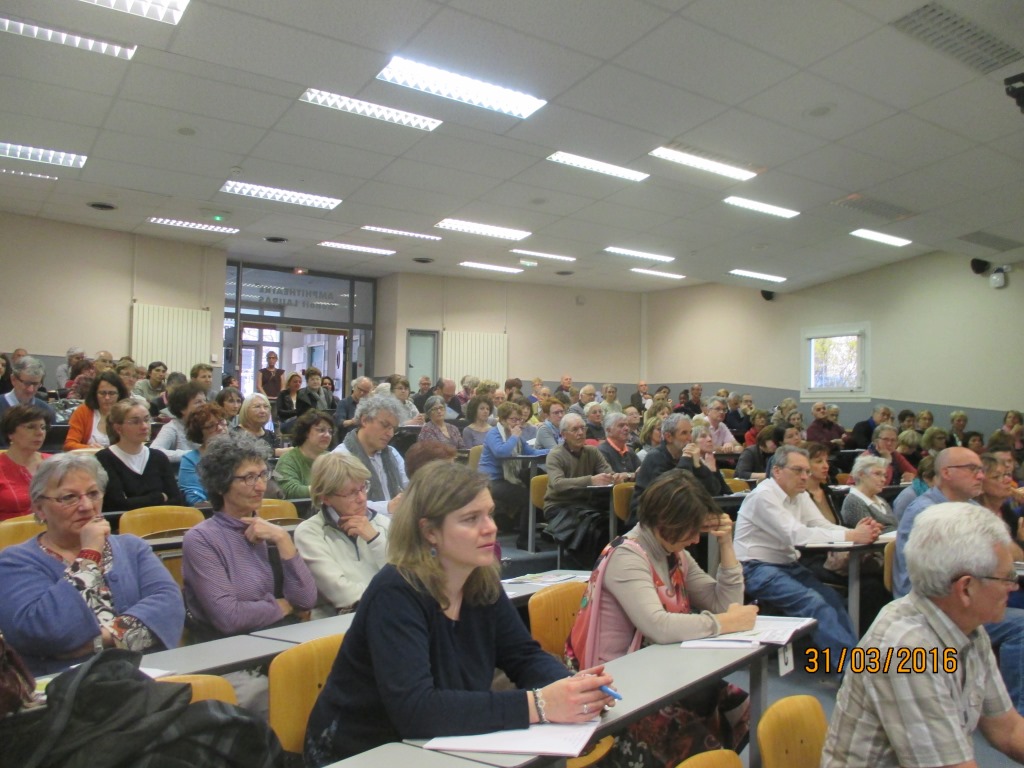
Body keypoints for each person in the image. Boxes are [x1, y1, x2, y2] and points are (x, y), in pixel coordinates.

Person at [303, 461, 615, 765]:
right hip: (361, 751)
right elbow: (416, 710)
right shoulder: (396, 591)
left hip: (439, 745)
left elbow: (524, 657)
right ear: (429, 532)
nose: (490, 528)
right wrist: (541, 704)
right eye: (470, 519)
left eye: (489, 514)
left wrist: (575, 690)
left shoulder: (481, 580)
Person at [568, 470, 757, 767]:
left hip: (658, 671)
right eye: (690, 530)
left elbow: (724, 603)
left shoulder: (674, 552)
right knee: (695, 741)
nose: (696, 539)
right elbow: (660, 625)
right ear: (667, 524)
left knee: (738, 706)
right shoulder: (627, 556)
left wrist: (726, 545)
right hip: (615, 685)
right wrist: (726, 623)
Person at [821, 504, 1024, 768]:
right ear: (966, 588)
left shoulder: (968, 627)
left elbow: (1007, 729)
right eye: (1007, 577)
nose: (1013, 586)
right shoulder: (903, 650)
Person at [0, 453, 184, 676]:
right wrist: (89, 555)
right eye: (69, 497)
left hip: (146, 678)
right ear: (39, 508)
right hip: (62, 691)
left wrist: (100, 641)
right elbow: (44, 631)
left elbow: (169, 606)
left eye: (93, 493)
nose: (87, 506)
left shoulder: (131, 547)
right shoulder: (14, 562)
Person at [892, 446, 1024, 714]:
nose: (980, 476)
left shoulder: (971, 508)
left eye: (981, 470)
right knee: (1021, 625)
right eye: (973, 469)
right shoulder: (927, 513)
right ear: (947, 473)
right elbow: (938, 583)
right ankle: (1015, 711)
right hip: (928, 606)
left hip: (959, 596)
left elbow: (1008, 554)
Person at [734, 445, 880, 663]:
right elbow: (797, 535)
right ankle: (852, 671)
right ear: (777, 471)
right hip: (755, 568)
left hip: (787, 566)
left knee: (833, 600)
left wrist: (858, 533)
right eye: (797, 470)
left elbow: (820, 524)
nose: (804, 477)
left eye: (806, 471)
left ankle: (856, 662)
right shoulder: (763, 496)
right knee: (815, 603)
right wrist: (852, 535)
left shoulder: (798, 494)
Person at [183, 432, 317, 639]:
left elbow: (306, 601)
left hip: (276, 637)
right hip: (228, 650)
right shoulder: (201, 539)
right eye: (249, 478)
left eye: (263, 474)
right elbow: (229, 618)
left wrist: (283, 539)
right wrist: (280, 606)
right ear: (220, 485)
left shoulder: (271, 533)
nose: (262, 487)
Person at [294, 452, 390, 619]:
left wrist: (375, 540)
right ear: (326, 498)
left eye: (363, 487)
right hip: (337, 625)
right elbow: (345, 597)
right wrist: (392, 594)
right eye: (351, 493)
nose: (361, 498)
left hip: (390, 616)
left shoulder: (383, 524)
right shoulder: (310, 533)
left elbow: (409, 579)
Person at [95, 400, 182, 512]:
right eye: (135, 422)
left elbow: (176, 500)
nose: (144, 426)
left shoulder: (158, 457)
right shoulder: (104, 459)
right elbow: (116, 505)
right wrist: (159, 497)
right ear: (118, 428)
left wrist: (135, 501)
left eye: (146, 420)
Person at [478, 400, 547, 535]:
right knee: (529, 496)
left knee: (531, 489)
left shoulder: (514, 435)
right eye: (513, 419)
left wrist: (555, 450)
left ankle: (517, 527)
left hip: (507, 479)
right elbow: (501, 452)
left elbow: (531, 452)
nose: (516, 423)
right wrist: (515, 436)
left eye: (519, 420)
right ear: (502, 419)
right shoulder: (494, 433)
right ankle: (525, 537)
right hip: (490, 480)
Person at [331, 394, 407, 517]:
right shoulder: (340, 457)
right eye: (385, 425)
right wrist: (387, 506)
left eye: (393, 428)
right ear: (364, 420)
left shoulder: (392, 453)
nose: (390, 433)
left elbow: (408, 487)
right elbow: (343, 504)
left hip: (396, 525)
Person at [0, 404, 52, 520]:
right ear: (10, 433)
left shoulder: (55, 464)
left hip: (53, 533)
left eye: (43, 427)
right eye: (31, 427)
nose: (40, 433)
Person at [274, 410, 334, 499]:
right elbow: (289, 491)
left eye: (330, 431)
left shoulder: (333, 458)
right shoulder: (288, 459)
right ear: (306, 432)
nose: (327, 435)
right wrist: (330, 491)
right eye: (321, 430)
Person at [177, 403, 229, 507]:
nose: (220, 428)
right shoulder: (190, 460)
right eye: (211, 426)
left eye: (222, 422)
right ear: (200, 433)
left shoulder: (239, 454)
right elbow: (195, 500)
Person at [64, 371, 129, 451]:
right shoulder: (83, 411)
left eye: (112, 393)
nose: (107, 398)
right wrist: (89, 448)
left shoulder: (127, 413)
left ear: (120, 394)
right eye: (102, 393)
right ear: (95, 394)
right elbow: (68, 445)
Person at [0, 356, 56, 446]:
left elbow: (51, 447)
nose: (30, 389)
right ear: (13, 379)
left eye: (36, 384)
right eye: (27, 383)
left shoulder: (46, 410)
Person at [150, 381, 205, 464]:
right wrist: (194, 454)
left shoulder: (207, 425)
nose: (205, 405)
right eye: (198, 402)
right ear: (182, 408)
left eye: (205, 401)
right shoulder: (172, 427)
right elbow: (154, 451)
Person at [840, 454, 897, 532]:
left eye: (885, 476)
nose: (883, 480)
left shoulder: (881, 500)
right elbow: (872, 532)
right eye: (877, 474)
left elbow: (895, 526)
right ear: (861, 475)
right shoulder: (853, 502)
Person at [598, 412, 641, 477]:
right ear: (608, 430)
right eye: (621, 426)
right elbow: (611, 477)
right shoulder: (601, 451)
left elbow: (641, 473)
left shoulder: (630, 451)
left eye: (627, 425)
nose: (626, 428)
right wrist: (631, 475)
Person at [336, 376, 374, 441]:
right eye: (360, 389)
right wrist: (353, 421)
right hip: (347, 439)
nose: (362, 393)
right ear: (354, 387)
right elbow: (340, 423)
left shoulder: (370, 405)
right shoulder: (344, 403)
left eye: (365, 391)